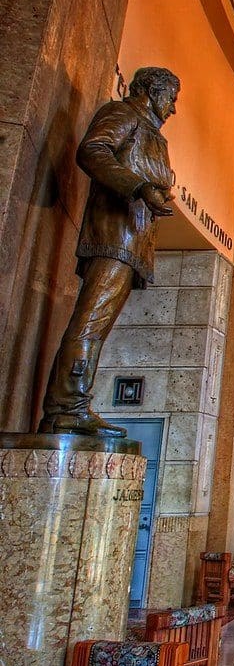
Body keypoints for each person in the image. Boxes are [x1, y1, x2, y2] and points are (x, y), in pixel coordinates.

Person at [38, 67, 179, 437]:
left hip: (132, 240)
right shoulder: (124, 113)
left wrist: (155, 192)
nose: (173, 109)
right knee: (89, 324)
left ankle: (74, 404)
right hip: (113, 236)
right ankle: (66, 406)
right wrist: (137, 187)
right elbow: (93, 150)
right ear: (151, 91)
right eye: (172, 98)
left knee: (96, 328)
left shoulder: (152, 134)